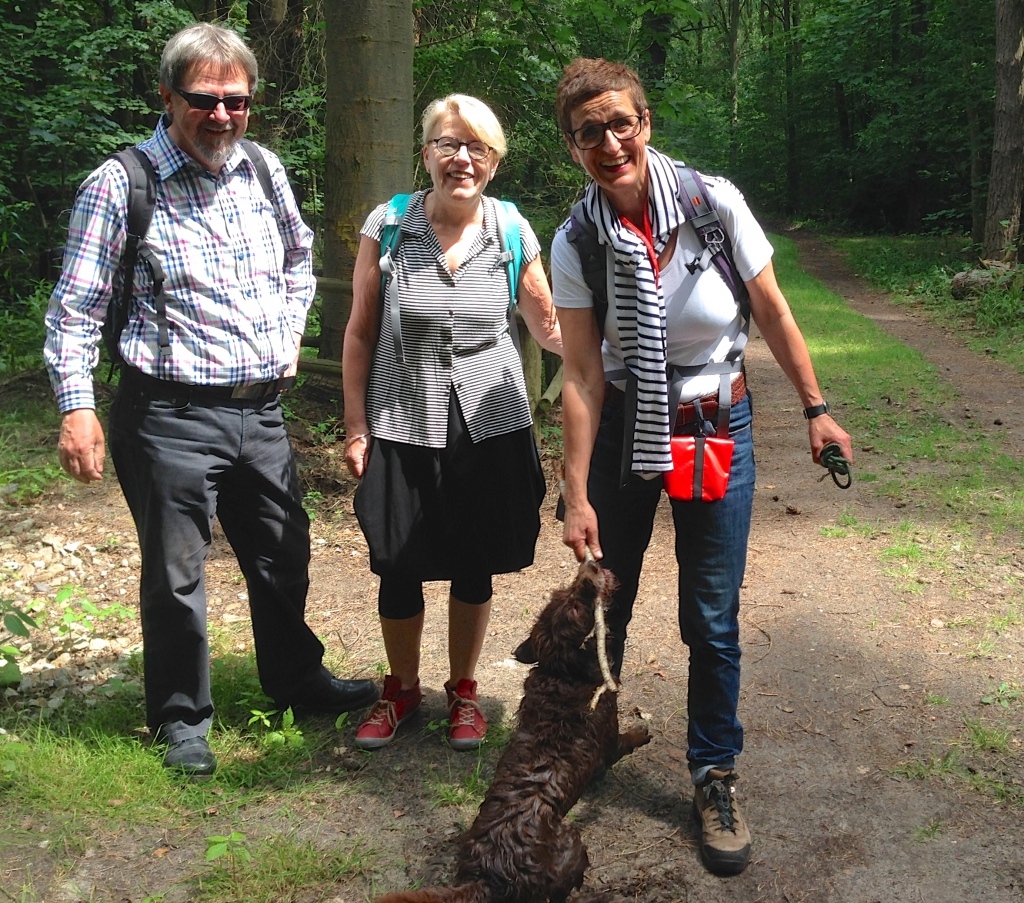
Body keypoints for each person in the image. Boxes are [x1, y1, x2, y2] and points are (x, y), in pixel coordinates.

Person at [43, 22, 378, 779]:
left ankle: (295, 679)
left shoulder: (262, 168)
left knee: (284, 551)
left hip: (260, 412)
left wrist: (286, 334)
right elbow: (74, 311)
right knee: (177, 573)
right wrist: (77, 406)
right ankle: (182, 717)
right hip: (168, 416)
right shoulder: (121, 185)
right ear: (168, 97)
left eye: (238, 100)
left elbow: (298, 257)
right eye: (205, 99)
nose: (223, 115)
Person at [550, 59, 853, 876]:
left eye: (622, 123)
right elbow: (581, 374)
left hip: (718, 420)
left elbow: (772, 309)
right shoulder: (577, 238)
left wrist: (816, 408)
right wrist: (575, 490)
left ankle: (714, 772)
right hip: (625, 426)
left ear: (645, 122)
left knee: (712, 615)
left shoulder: (713, 204)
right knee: (605, 599)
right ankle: (586, 742)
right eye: (589, 132)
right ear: (572, 146)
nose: (610, 143)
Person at [342, 94, 562, 752]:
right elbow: (359, 331)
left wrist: (611, 360)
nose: (462, 158)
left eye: (477, 147)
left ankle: (464, 691)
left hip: (490, 424)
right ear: (426, 153)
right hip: (401, 417)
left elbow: (549, 326)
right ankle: (402, 689)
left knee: (475, 561)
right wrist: (355, 424)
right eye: (448, 143)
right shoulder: (389, 224)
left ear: (494, 162)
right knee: (398, 563)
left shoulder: (512, 229)